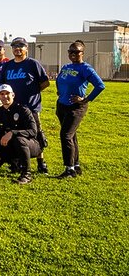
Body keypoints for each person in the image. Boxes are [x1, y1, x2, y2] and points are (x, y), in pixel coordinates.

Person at [55, 40, 105, 178]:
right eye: (70, 51)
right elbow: (59, 80)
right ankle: (76, 166)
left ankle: (69, 169)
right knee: (71, 136)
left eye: (76, 52)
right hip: (62, 106)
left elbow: (100, 85)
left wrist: (85, 99)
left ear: (82, 53)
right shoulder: (66, 67)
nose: (72, 54)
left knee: (65, 136)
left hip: (75, 108)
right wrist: (60, 91)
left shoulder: (86, 68)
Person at [0, 37, 50, 174]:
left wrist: (33, 91)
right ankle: (17, 162)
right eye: (15, 46)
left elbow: (45, 82)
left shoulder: (32, 64)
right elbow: (3, 84)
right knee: (15, 134)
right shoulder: (7, 66)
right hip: (14, 107)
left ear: (26, 48)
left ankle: (41, 162)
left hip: (31, 106)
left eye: (21, 46)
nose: (17, 48)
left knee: (36, 134)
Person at [0, 84, 42, 185]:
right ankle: (14, 163)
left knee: (19, 140)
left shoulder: (23, 110)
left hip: (31, 145)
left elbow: (33, 131)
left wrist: (13, 133)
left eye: (7, 93)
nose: (5, 96)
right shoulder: (0, 112)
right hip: (13, 145)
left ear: (13, 95)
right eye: (2, 94)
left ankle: (26, 174)